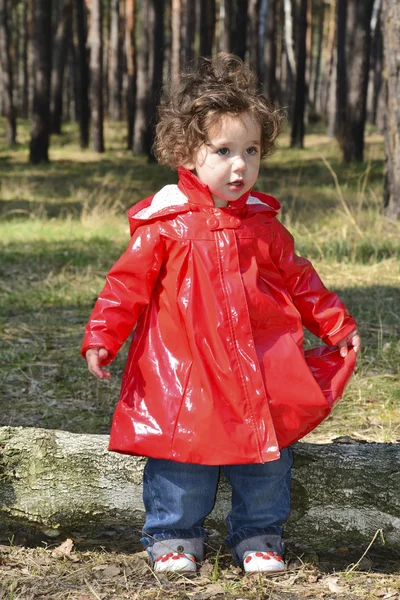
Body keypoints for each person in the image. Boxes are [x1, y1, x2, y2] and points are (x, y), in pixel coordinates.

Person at [81, 53, 360, 575]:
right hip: (186, 366)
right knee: (181, 453)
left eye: (251, 150)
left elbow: (302, 280)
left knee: (266, 455)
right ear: (187, 153)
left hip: (260, 361)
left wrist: (335, 324)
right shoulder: (166, 223)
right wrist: (103, 335)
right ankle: (173, 534)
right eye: (225, 150)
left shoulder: (263, 225)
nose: (240, 165)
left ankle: (258, 533)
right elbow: (126, 286)